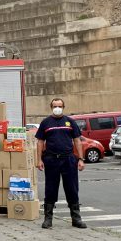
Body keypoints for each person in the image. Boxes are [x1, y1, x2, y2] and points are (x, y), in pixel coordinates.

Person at [35, 98, 87, 229]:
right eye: (54, 106)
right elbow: (40, 142)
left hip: (68, 159)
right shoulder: (46, 123)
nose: (57, 108)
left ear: (63, 107)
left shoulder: (70, 122)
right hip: (51, 159)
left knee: (72, 189)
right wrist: (39, 159)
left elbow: (77, 140)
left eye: (59, 106)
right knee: (50, 189)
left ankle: (76, 219)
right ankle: (48, 219)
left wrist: (80, 159)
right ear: (51, 107)